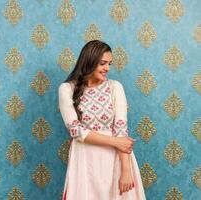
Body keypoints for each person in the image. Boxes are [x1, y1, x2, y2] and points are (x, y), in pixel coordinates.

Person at [58, 40, 146, 200]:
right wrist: (116, 142)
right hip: (85, 159)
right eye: (102, 63)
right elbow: (76, 131)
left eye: (109, 64)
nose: (107, 68)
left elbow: (121, 129)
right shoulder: (67, 89)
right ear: (89, 61)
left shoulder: (115, 87)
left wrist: (126, 171)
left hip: (116, 158)